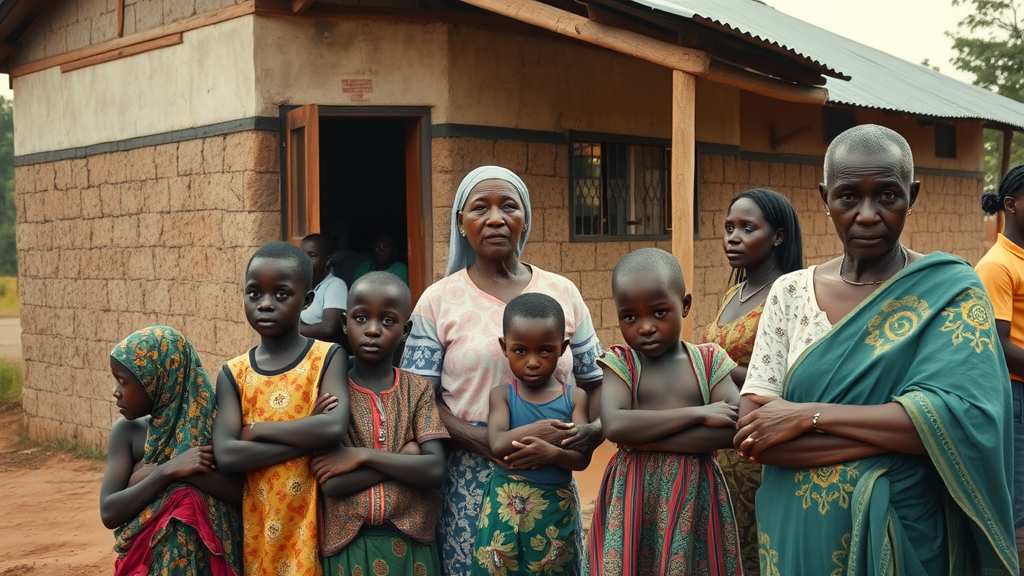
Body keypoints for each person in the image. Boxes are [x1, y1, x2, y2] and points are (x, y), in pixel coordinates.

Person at [735, 124, 1017, 575]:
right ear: (825, 197)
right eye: (848, 197)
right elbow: (755, 435)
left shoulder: (951, 293)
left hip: (908, 533)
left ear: (913, 194)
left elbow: (965, 424)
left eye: (887, 195)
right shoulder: (790, 293)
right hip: (796, 535)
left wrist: (802, 416)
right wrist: (900, 435)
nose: (867, 214)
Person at [400, 166, 604, 575]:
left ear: (525, 218)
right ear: (461, 222)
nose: (495, 218)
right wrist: (482, 441)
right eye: (480, 208)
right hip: (468, 478)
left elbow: (594, 379)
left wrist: (592, 432)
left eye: (508, 206)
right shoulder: (438, 301)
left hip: (550, 471)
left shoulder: (563, 293)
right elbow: (417, 396)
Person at [587, 247, 742, 575]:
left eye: (659, 312)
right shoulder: (621, 362)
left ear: (684, 305)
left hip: (695, 496)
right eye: (630, 317)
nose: (645, 327)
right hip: (633, 496)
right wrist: (697, 414)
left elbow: (732, 429)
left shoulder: (709, 361)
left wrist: (640, 437)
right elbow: (615, 425)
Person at [212, 242, 349, 576]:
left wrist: (257, 431)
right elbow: (227, 454)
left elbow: (333, 429)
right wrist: (308, 430)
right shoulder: (234, 373)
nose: (266, 304)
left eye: (281, 295)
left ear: (307, 300)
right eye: (254, 294)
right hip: (261, 528)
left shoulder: (326, 357)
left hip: (317, 520)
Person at [311, 271, 449, 576]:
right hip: (350, 547)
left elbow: (435, 471)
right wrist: (404, 459)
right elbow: (332, 483)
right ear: (345, 323)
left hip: (413, 547)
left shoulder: (418, 390)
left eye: (387, 321)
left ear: (405, 329)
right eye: (361, 318)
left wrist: (361, 455)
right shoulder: (332, 392)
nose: (373, 330)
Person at [701, 187, 803, 576]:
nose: (733, 237)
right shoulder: (734, 292)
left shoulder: (792, 295)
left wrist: (715, 365)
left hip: (759, 451)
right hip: (720, 448)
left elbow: (790, 376)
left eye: (747, 227)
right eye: (729, 227)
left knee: (759, 554)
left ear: (778, 236)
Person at [100, 325, 243, 576]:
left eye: (124, 381)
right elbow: (109, 511)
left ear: (161, 380)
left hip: (211, 557)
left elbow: (242, 492)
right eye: (115, 379)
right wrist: (168, 470)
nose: (115, 391)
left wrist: (158, 474)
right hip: (149, 562)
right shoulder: (128, 433)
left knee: (186, 501)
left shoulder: (209, 427)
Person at [473, 293, 593, 576]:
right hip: (503, 508)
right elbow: (498, 443)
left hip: (553, 508)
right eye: (520, 350)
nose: (532, 362)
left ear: (563, 348)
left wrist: (552, 453)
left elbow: (582, 458)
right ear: (504, 347)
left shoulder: (575, 398)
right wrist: (541, 431)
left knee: (551, 569)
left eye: (545, 351)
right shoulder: (502, 395)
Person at [977, 163, 1024, 536]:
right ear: (1011, 204)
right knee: (1017, 499)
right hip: (1015, 394)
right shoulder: (997, 266)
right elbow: (999, 344)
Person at [299, 233, 349, 344]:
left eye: (312, 256)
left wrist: (292, 330)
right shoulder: (300, 285)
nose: (305, 261)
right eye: (302, 256)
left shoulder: (335, 285)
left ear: (327, 260)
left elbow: (329, 328)